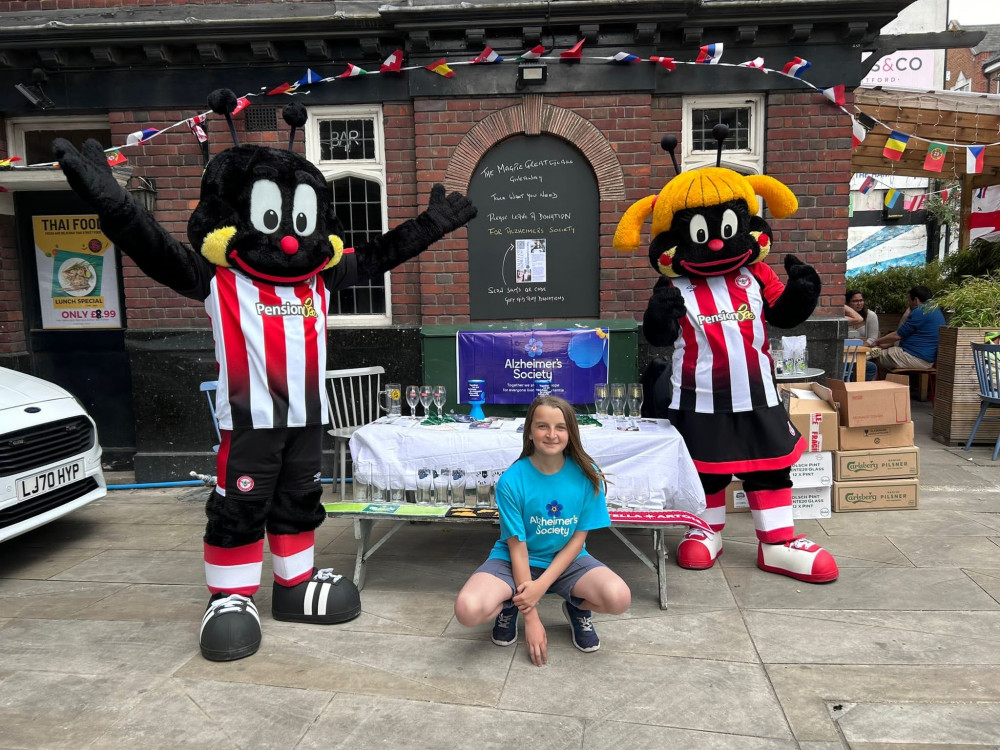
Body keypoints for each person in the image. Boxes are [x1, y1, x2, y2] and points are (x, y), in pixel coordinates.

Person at [454, 395, 631, 666]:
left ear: (571, 433)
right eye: (542, 426)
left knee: (619, 598)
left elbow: (577, 540)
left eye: (560, 427)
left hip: (566, 559)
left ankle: (576, 606)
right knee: (467, 610)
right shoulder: (512, 480)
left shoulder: (587, 474)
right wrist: (532, 617)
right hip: (514, 559)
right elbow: (518, 548)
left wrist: (542, 586)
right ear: (530, 432)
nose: (551, 434)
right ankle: (512, 605)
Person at [870, 285, 945, 372]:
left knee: (871, 355)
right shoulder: (935, 310)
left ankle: (868, 384)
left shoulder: (920, 311)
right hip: (924, 357)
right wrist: (889, 344)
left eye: (909, 301)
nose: (909, 304)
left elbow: (897, 335)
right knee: (879, 353)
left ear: (916, 300)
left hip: (915, 357)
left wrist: (876, 341)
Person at [845, 290, 879, 380]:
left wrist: (863, 346)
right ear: (847, 303)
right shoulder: (843, 317)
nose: (859, 303)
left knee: (871, 362)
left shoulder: (870, 315)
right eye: (855, 301)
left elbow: (873, 337)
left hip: (863, 349)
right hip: (845, 352)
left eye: (861, 300)